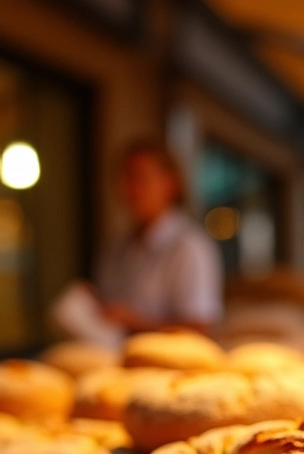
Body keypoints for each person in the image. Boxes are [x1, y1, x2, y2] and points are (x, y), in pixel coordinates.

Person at [84, 138, 223, 336]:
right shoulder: (116, 247)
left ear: (170, 183)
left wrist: (134, 322)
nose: (127, 189)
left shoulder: (189, 247)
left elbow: (200, 330)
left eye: (138, 177)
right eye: (124, 178)